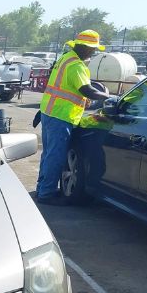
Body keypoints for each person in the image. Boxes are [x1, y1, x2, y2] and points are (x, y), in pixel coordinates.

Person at [35, 30, 111, 205]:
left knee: (48, 155)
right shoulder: (76, 65)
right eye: (92, 49)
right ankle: (46, 194)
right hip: (61, 116)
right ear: (84, 47)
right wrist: (109, 97)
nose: (93, 52)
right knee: (56, 156)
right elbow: (87, 90)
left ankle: (42, 189)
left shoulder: (65, 58)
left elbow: (68, 89)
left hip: (50, 112)